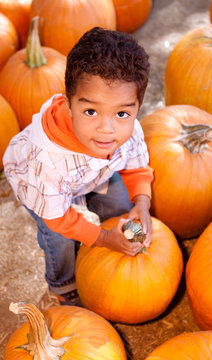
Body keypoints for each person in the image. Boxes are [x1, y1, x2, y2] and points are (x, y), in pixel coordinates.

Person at [3, 27, 153, 306]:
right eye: (91, 111)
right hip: (41, 186)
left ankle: (112, 240)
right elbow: (58, 218)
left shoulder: (128, 132)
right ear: (69, 105)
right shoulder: (45, 160)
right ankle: (63, 284)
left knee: (120, 201)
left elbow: (136, 166)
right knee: (60, 238)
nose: (107, 130)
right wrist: (104, 238)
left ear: (136, 108)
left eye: (122, 113)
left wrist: (141, 203)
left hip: (89, 174)